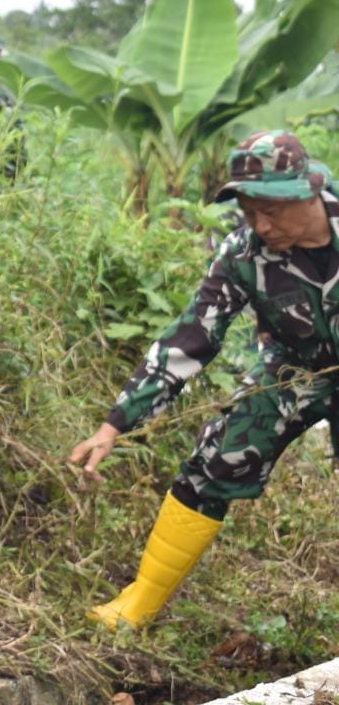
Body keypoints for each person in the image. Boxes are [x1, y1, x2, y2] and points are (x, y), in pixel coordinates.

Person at [70, 130, 337, 630]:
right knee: (215, 458)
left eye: (272, 210)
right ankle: (139, 602)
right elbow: (192, 336)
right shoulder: (243, 253)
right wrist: (114, 425)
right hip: (293, 370)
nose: (262, 224)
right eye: (251, 211)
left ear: (308, 191)